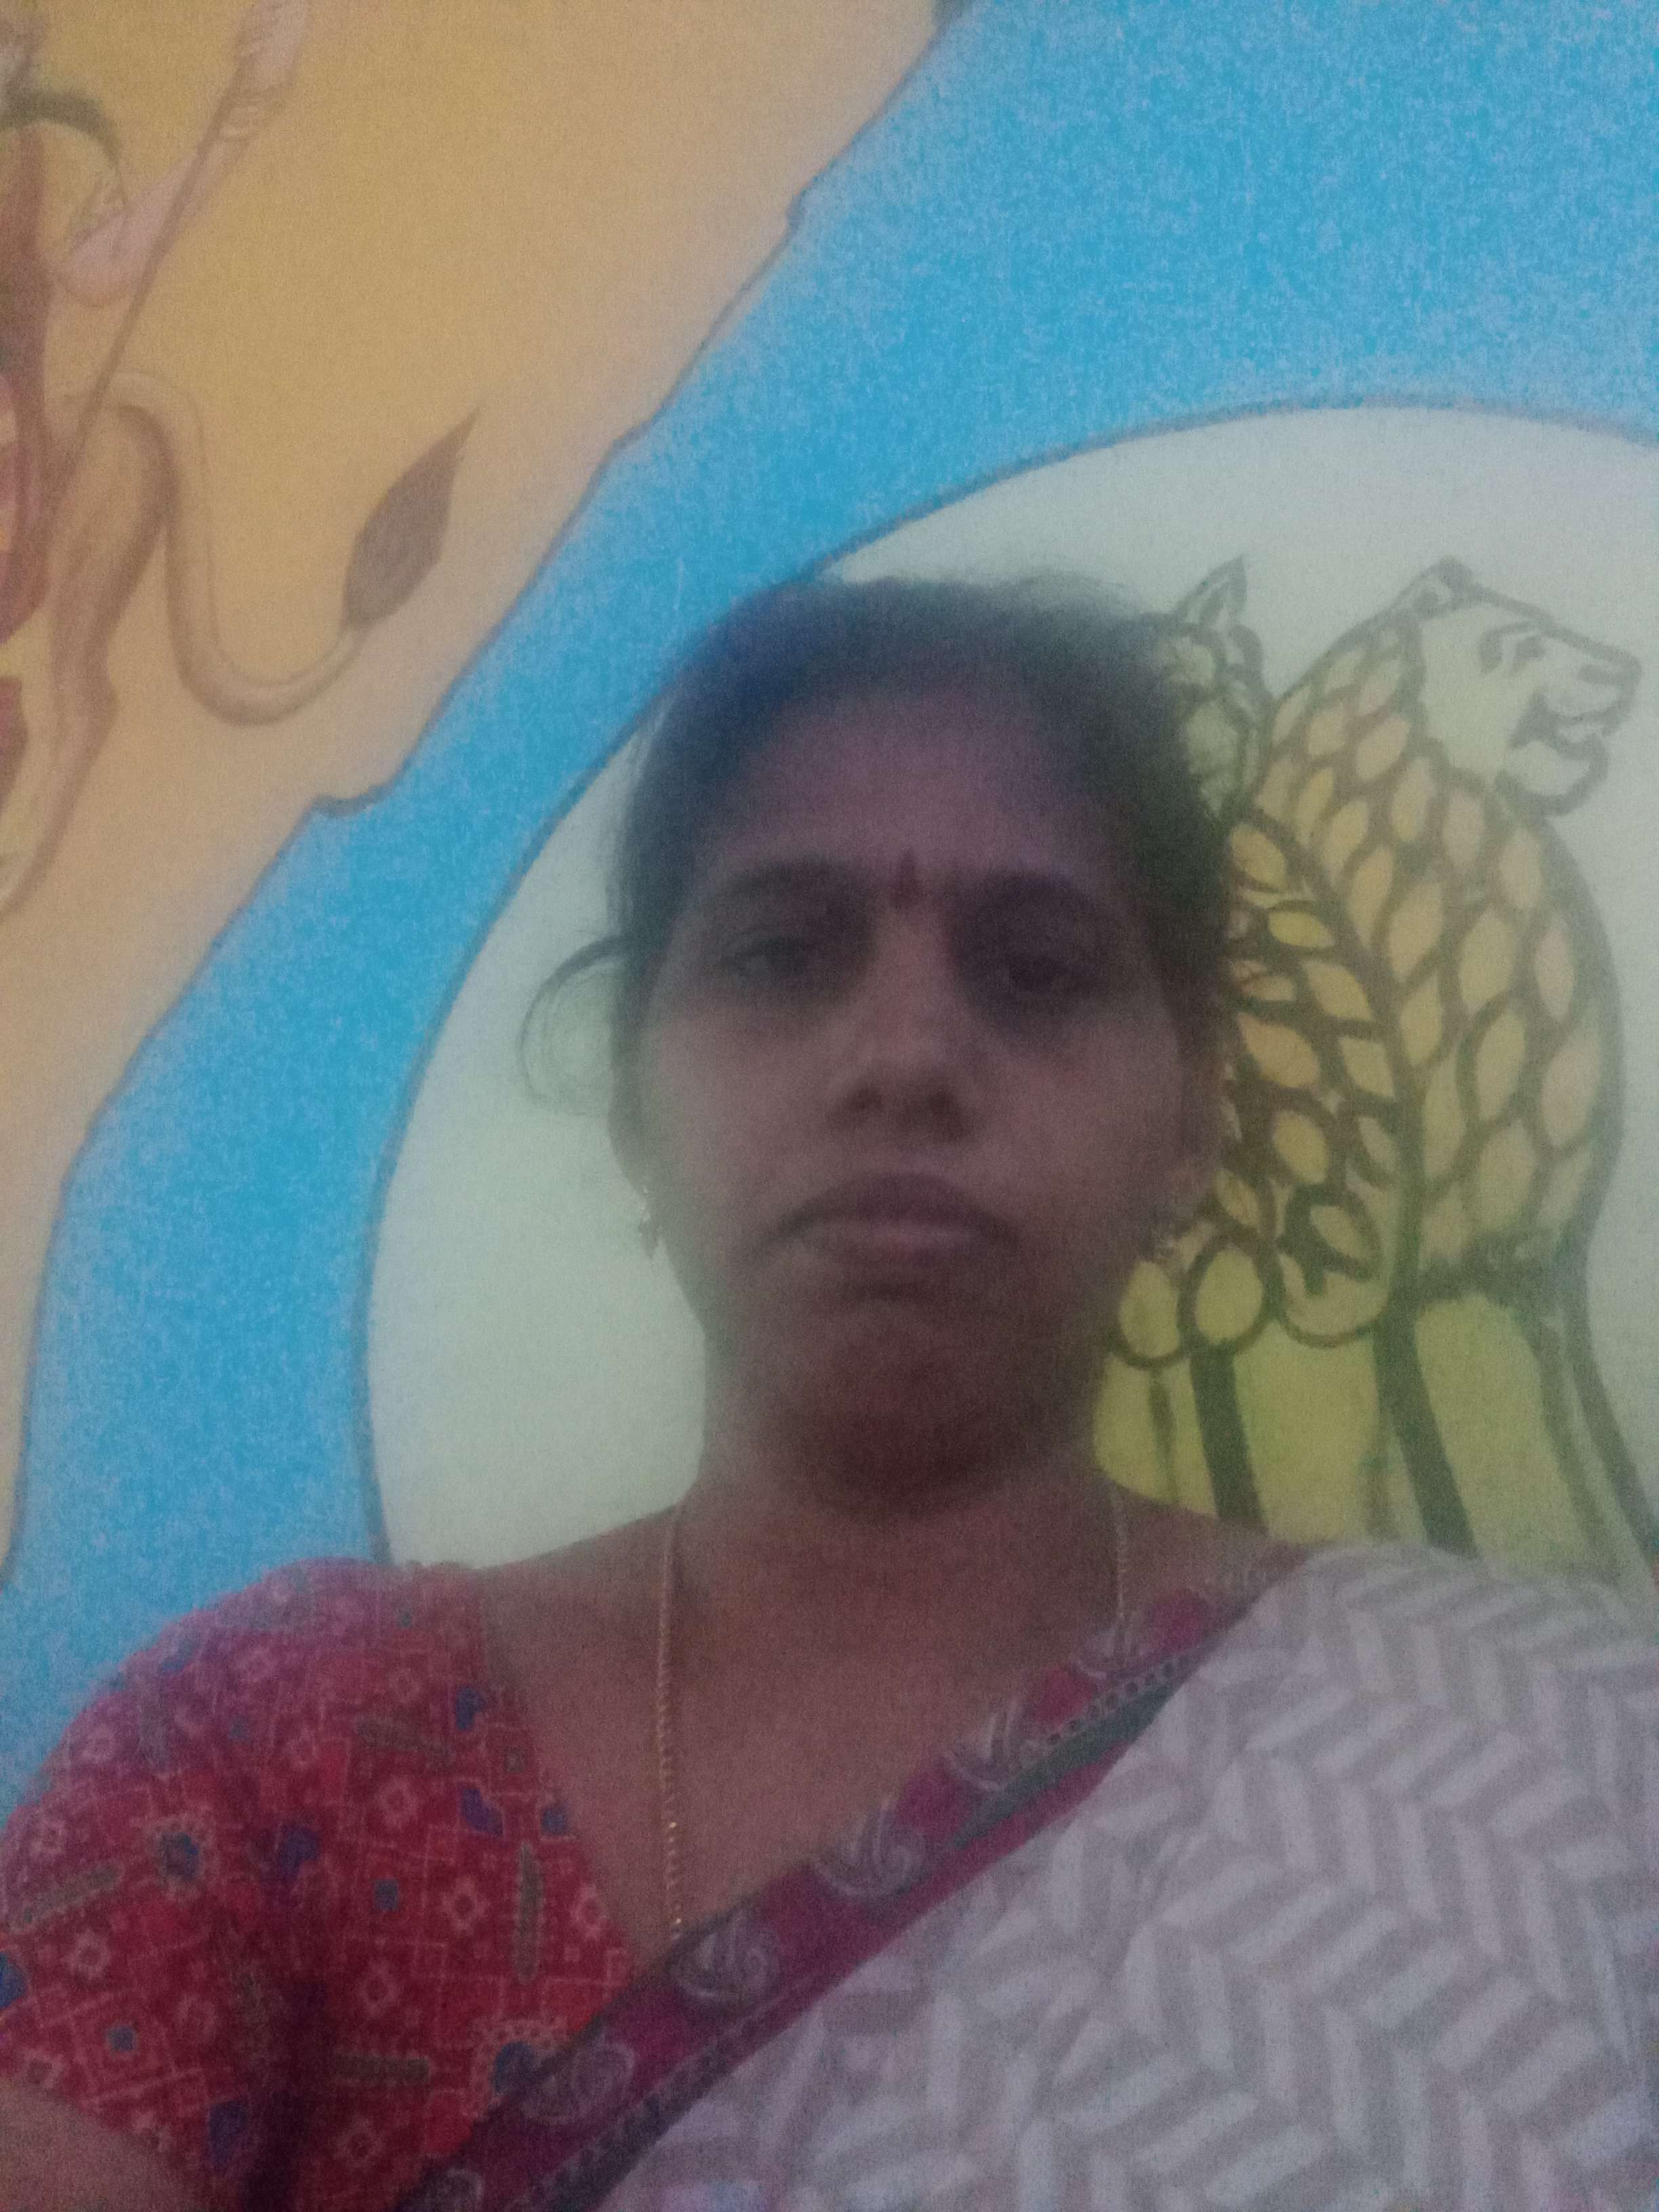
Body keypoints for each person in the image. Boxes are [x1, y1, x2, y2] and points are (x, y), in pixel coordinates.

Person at [0, 576, 1654, 2211]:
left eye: (1037, 970)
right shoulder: (267, 1756)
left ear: (1194, 1125)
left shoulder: (1553, 1762)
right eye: (784, 956)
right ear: (636, 1104)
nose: (907, 1055)